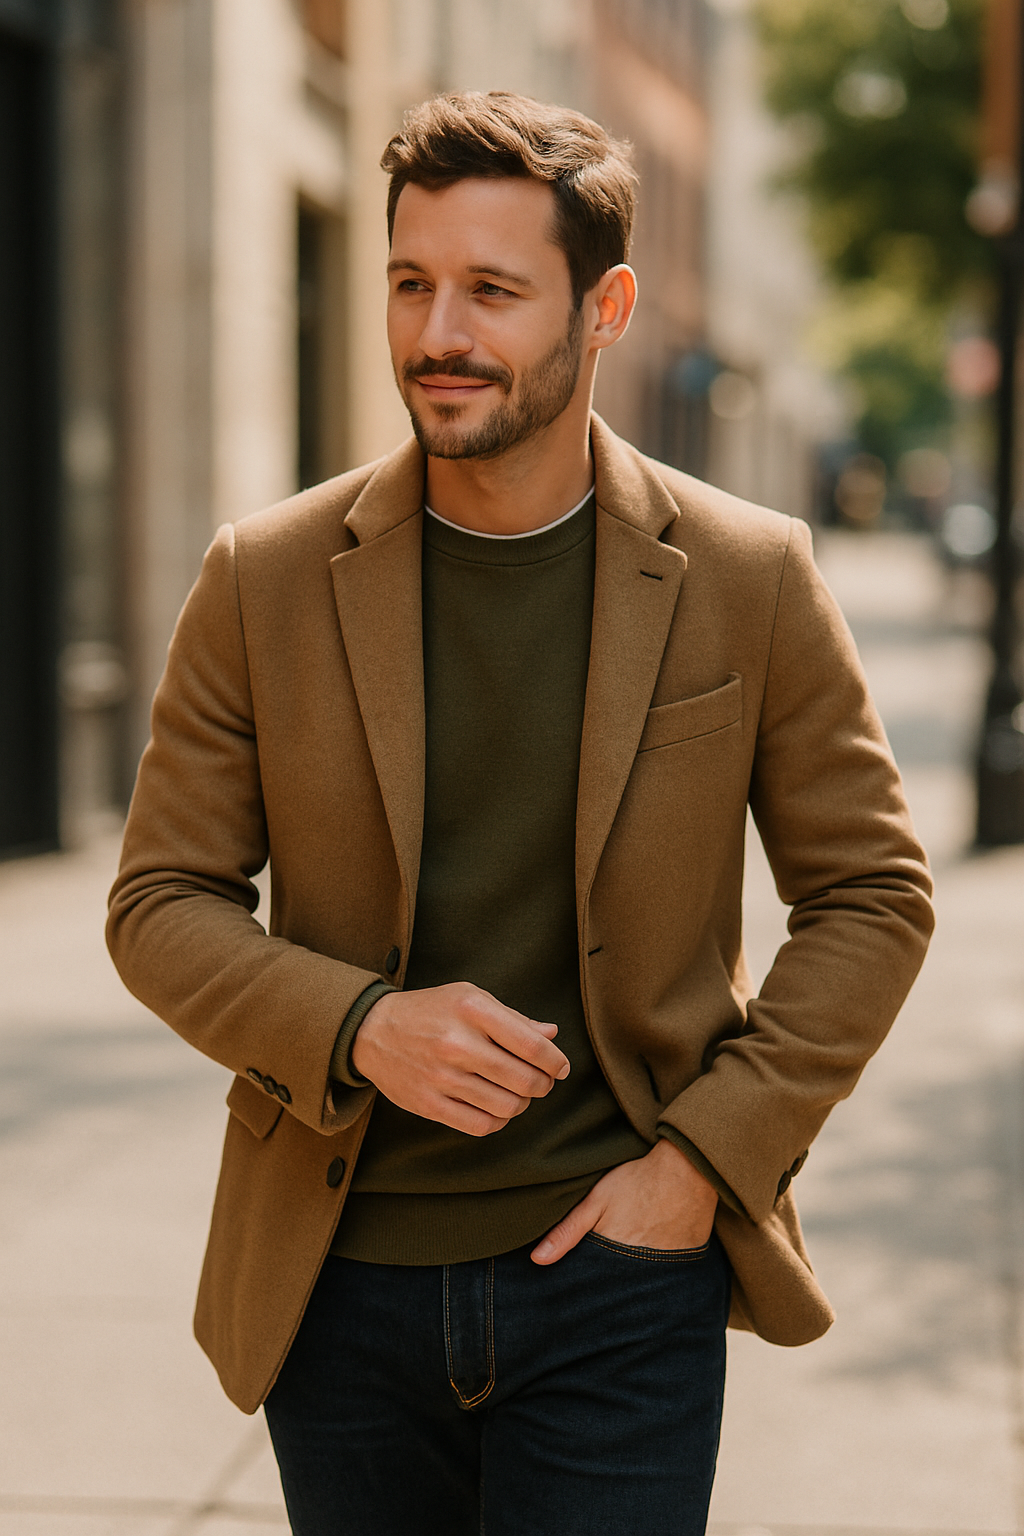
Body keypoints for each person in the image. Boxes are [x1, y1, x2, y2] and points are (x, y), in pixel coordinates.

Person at [107, 90, 934, 1536]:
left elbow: (871, 894)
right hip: (339, 1287)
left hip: (622, 1280)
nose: (439, 334)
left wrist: (704, 1161)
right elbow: (159, 902)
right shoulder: (263, 577)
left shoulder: (750, 575)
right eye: (410, 284)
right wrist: (361, 1025)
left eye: (492, 291)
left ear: (605, 308)